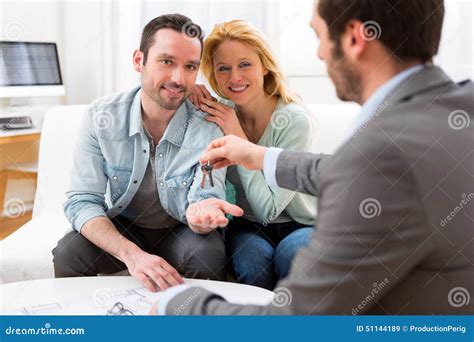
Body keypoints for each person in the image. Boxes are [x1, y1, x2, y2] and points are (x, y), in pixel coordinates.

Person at [151, 0, 473, 314]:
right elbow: (341, 169)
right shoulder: (459, 108)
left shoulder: (381, 152)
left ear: (354, 38)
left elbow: (297, 319)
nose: (319, 53)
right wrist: (260, 155)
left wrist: (179, 304)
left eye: (319, 36)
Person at [52, 14, 243, 293]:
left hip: (181, 228)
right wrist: (133, 256)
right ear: (139, 60)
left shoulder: (209, 118)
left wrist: (203, 216)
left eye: (190, 67)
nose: (178, 78)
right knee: (69, 252)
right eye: (167, 62)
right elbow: (82, 201)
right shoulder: (101, 117)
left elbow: (205, 197)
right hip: (125, 226)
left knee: (207, 254)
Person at [189, 20, 317, 290]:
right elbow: (161, 97)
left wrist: (237, 137)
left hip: (299, 223)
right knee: (253, 264)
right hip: (246, 225)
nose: (235, 77)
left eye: (245, 64)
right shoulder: (217, 112)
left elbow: (268, 210)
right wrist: (188, 89)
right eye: (223, 68)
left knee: (291, 256)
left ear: (265, 65)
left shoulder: (293, 121)